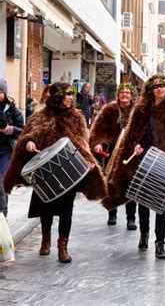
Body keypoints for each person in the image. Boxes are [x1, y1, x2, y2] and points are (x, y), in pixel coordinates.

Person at [3, 82, 106, 263]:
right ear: (57, 97)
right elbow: (27, 135)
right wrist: (29, 143)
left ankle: (62, 248)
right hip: (45, 169)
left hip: (67, 169)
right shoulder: (40, 116)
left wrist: (88, 161)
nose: (71, 98)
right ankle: (46, 240)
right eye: (67, 94)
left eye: (71, 94)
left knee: (66, 211)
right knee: (46, 208)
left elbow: (82, 143)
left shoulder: (76, 118)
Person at [103, 74, 165, 259]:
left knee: (162, 203)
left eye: (162, 86)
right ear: (150, 90)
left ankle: (160, 244)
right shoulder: (141, 109)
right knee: (143, 200)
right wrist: (135, 143)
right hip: (144, 159)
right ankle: (144, 235)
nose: (159, 89)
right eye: (155, 86)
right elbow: (131, 135)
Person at [89, 83, 137, 230]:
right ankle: (112, 213)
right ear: (118, 95)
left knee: (131, 186)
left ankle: (131, 218)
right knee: (112, 184)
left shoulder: (137, 110)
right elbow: (98, 130)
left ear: (132, 96)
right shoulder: (109, 110)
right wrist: (97, 143)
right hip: (112, 153)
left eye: (128, 93)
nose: (125, 95)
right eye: (122, 92)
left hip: (131, 154)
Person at [0, 78, 25, 217]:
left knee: (3, 183)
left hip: (6, 149)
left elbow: (22, 129)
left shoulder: (12, 109)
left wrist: (9, 129)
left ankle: (2, 217)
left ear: (4, 93)